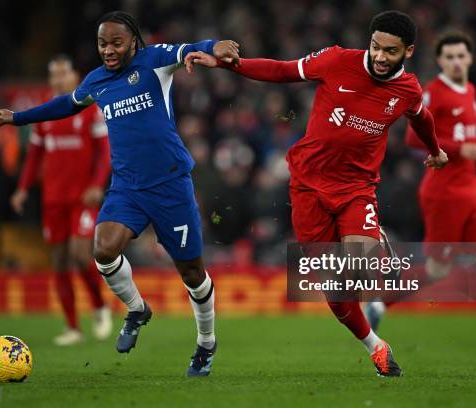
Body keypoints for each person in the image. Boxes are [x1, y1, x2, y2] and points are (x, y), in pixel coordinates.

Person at [186, 10, 448, 377]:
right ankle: (376, 346)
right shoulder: (337, 60)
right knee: (335, 293)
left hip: (356, 189)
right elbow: (281, 70)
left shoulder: (407, 90)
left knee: (360, 269)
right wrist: (230, 65)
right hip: (308, 186)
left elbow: (421, 117)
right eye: (376, 47)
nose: (380, 56)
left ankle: (374, 245)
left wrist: (434, 150)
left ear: (407, 51)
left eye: (390, 51)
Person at [0, 10, 240, 377]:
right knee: (103, 250)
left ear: (133, 41)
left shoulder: (153, 60)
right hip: (127, 187)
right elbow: (64, 105)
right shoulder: (97, 81)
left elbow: (191, 48)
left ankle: (205, 342)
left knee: (192, 272)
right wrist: (19, 117)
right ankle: (137, 308)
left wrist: (214, 46)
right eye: (102, 43)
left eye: (116, 42)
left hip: (170, 184)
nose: (108, 49)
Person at [364, 31, 476, 356]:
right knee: (438, 270)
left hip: (473, 192)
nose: (456, 62)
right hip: (442, 193)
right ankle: (381, 301)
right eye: (450, 57)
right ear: (440, 61)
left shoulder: (470, 90)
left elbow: (465, 136)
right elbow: (414, 140)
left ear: (469, 58)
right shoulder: (432, 93)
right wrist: (458, 149)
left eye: (461, 56)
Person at [10, 55, 112, 346]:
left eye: (62, 73)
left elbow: (105, 152)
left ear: (74, 75)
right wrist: (22, 188)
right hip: (53, 199)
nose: (57, 79)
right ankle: (72, 327)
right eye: (53, 75)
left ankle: (100, 306)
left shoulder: (89, 108)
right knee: (59, 262)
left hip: (82, 198)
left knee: (81, 255)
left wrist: (96, 185)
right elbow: (34, 156)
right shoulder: (44, 112)